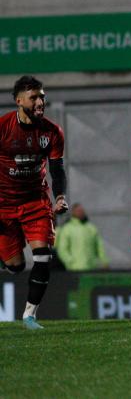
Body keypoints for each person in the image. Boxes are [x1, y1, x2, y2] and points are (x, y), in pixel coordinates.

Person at [0, 76, 69, 329]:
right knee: (15, 266)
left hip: (36, 202)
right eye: (34, 97)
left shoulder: (51, 132)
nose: (41, 101)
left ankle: (29, 315)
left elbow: (57, 168)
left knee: (43, 257)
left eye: (42, 96)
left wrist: (60, 196)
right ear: (19, 101)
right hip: (4, 204)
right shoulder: (3, 128)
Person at [56, 203, 108, 271]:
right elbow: (62, 249)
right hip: (74, 269)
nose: (80, 212)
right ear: (73, 212)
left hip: (91, 268)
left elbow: (99, 246)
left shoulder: (91, 228)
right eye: (78, 211)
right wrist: (70, 261)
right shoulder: (67, 229)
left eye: (82, 211)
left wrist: (104, 261)